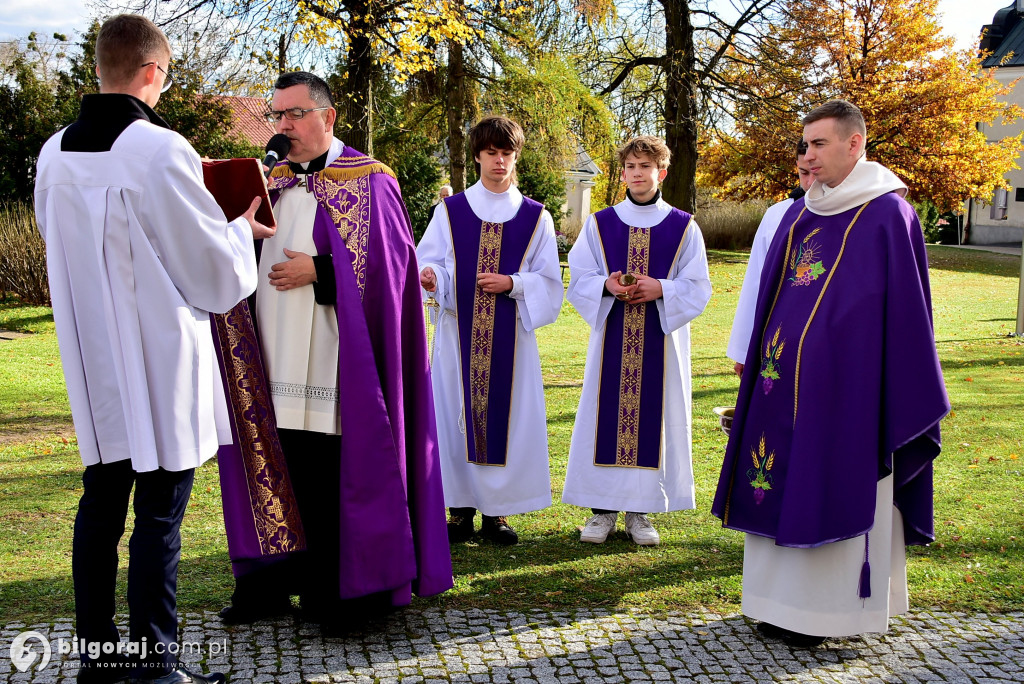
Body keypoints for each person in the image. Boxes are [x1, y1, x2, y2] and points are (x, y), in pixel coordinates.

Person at [33, 14, 269, 684]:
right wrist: (242, 233)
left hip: (96, 361)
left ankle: (99, 660)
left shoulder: (53, 153)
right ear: (153, 73)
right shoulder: (160, 150)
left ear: (99, 67)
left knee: (101, 505)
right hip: (159, 360)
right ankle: (156, 667)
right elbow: (209, 270)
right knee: (160, 515)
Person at [217, 71, 452, 631]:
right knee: (277, 468)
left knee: (330, 477)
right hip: (270, 357)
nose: (283, 126)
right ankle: (268, 585)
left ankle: (346, 595)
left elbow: (392, 274)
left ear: (328, 117)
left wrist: (319, 270)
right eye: (276, 115)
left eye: (294, 114)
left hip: (338, 363)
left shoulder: (372, 180)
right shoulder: (266, 182)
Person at [711, 100, 949, 647]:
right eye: (805, 144)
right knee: (777, 483)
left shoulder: (889, 214)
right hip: (779, 385)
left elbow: (907, 314)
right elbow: (773, 298)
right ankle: (774, 605)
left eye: (819, 143)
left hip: (850, 392)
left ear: (854, 144)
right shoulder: (799, 213)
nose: (808, 155)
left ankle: (826, 616)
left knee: (829, 482)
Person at [417, 116, 562, 546]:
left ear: (516, 156)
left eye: (507, 153)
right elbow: (434, 263)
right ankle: (459, 510)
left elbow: (550, 282)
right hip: (457, 338)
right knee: (453, 418)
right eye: (491, 153)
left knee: (508, 419)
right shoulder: (450, 211)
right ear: (477, 156)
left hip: (511, 340)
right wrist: (432, 278)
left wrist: (513, 283)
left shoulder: (537, 217)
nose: (499, 161)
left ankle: (497, 513)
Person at [562, 135, 712, 546]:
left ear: (660, 171)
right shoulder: (601, 223)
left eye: (646, 166)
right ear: (623, 172)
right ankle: (601, 511)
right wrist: (606, 285)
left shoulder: (684, 226)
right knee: (603, 417)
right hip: (612, 337)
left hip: (659, 343)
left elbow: (698, 285)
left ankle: (640, 512)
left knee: (653, 419)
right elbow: (580, 276)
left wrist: (661, 289)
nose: (638, 173)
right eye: (631, 166)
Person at [727, 143, 813, 375]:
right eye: (803, 173)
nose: (810, 182)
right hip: (780, 330)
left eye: (815, 172)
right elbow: (756, 281)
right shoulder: (777, 215)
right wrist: (744, 350)